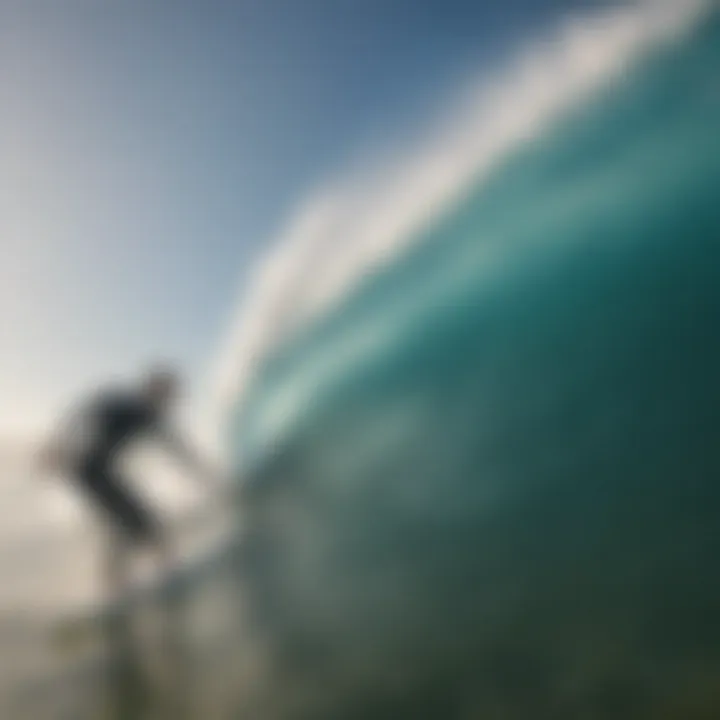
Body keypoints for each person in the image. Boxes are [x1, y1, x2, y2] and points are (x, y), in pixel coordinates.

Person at [36, 365, 216, 602]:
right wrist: (57, 444)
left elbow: (178, 450)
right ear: (154, 388)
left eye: (172, 396)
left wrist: (208, 478)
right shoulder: (125, 401)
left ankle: (120, 590)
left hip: (97, 471)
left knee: (129, 529)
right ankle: (151, 582)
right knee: (146, 528)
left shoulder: (150, 416)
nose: (171, 401)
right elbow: (82, 412)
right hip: (87, 467)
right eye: (168, 393)